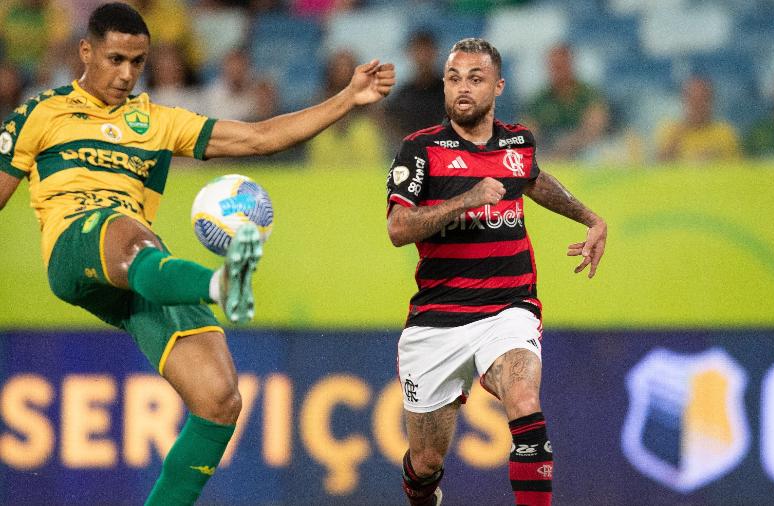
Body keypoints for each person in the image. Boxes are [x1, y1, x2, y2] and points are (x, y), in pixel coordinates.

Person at [0, 3, 394, 505]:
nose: (126, 74)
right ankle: (219, 285)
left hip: (141, 272)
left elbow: (259, 137)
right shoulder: (40, 113)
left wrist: (347, 99)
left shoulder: (160, 121)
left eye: (137, 62)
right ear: (86, 51)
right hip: (76, 243)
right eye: (116, 59)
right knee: (127, 230)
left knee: (220, 399)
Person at [385, 38, 607, 506]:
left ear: (498, 86)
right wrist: (467, 199)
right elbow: (398, 228)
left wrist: (591, 218)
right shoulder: (420, 150)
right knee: (426, 462)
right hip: (437, 320)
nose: (462, 88)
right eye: (453, 78)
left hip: (508, 309)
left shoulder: (516, 142)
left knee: (525, 403)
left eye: (475, 78)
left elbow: (534, 179)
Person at [303, 48, 387, 169]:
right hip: (320, 177)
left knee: (365, 132)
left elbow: (386, 139)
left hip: (366, 177)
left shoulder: (372, 105)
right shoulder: (317, 105)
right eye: (338, 67)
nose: (343, 71)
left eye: (347, 66)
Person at [522, 42, 607, 159]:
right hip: (550, 152)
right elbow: (528, 131)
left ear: (571, 65)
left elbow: (594, 128)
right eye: (553, 67)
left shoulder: (588, 95)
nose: (557, 72)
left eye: (561, 66)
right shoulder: (539, 100)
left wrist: (570, 144)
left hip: (583, 151)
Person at [655, 76, 741, 162]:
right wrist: (676, 140)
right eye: (693, 100)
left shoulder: (725, 134)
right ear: (685, 102)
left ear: (711, 102)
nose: (698, 107)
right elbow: (658, 167)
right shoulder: (670, 131)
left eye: (703, 100)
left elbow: (736, 169)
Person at [384, 30, 446, 141]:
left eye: (427, 51)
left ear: (435, 53)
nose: (423, 58)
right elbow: (391, 128)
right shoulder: (402, 97)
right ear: (410, 54)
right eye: (419, 52)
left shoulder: (451, 92)